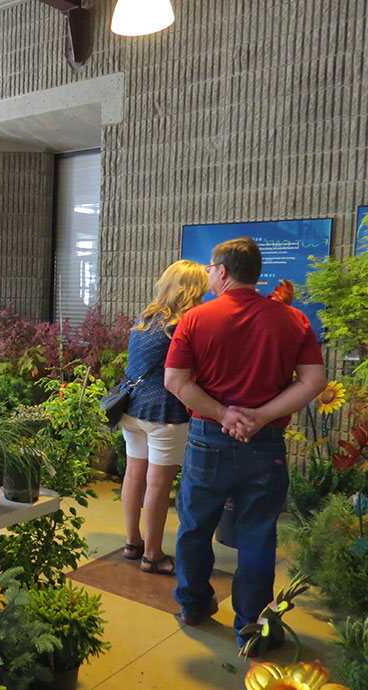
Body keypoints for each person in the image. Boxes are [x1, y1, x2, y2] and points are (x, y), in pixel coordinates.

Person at [163, 237, 326, 650]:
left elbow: (175, 381)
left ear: (221, 271)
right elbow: (314, 381)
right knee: (258, 534)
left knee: (195, 527)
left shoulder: (196, 320)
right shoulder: (293, 321)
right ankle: (251, 626)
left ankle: (194, 605)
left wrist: (224, 415)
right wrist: (260, 416)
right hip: (265, 444)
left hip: (207, 443)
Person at [118, 260, 209, 576]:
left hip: (132, 409)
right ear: (194, 289)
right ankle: (153, 556)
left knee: (134, 474)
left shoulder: (146, 317)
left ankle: (133, 543)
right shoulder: (186, 323)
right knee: (157, 484)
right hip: (165, 414)